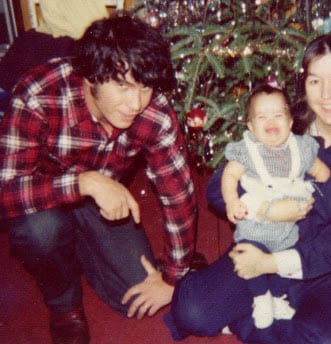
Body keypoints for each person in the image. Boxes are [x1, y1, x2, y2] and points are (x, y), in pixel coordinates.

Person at [165, 32, 331, 343]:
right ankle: (248, 309)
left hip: (328, 268)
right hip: (265, 241)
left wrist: (270, 265)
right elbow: (218, 190)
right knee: (192, 312)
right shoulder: (281, 123)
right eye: (315, 81)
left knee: (328, 341)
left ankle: (243, 322)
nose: (326, 95)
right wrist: (267, 210)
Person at [0, 14, 197, 344]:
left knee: (133, 296)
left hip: (101, 198)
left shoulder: (154, 112)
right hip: (43, 199)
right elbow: (5, 190)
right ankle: (63, 302)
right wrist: (84, 182)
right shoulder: (38, 95)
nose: (135, 104)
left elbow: (178, 192)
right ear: (90, 75)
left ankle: (75, 243)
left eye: (144, 87)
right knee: (41, 231)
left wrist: (174, 275)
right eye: (122, 85)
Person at [221, 84, 330, 328]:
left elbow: (316, 168)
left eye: (278, 115)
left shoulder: (300, 148)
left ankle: (276, 297)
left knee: (289, 261)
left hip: (288, 229)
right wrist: (232, 200)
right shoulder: (247, 151)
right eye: (262, 117)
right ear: (250, 126)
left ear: (290, 122)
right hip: (255, 225)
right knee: (247, 255)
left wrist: (322, 172)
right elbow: (229, 176)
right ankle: (260, 298)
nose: (271, 122)